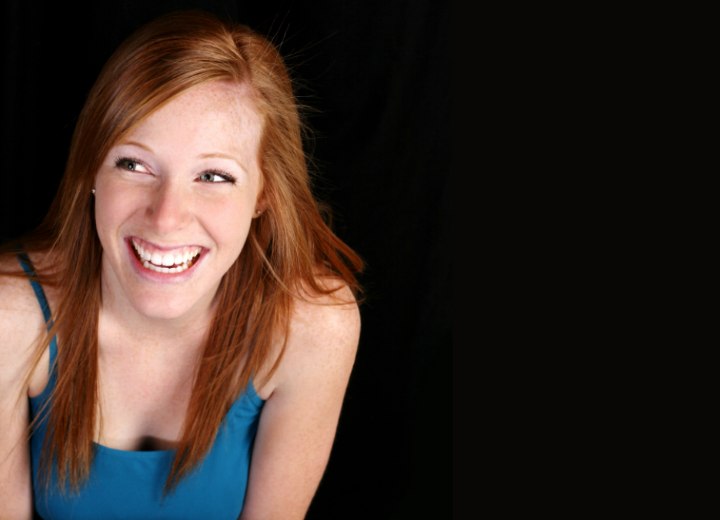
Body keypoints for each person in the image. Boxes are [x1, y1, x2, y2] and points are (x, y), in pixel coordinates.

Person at [0, 9, 363, 519]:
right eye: (134, 164)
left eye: (214, 176)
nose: (166, 218)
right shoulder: (11, 317)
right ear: (91, 171)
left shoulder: (312, 327)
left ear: (264, 195)